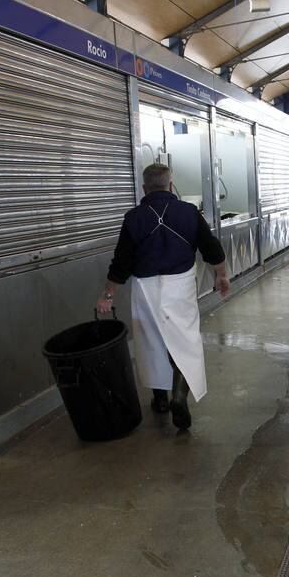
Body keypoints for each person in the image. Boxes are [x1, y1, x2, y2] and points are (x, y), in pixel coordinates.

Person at [97, 163, 229, 430]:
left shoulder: (133, 217)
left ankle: (160, 401)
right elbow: (211, 249)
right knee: (184, 341)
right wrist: (221, 275)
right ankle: (179, 396)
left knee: (151, 343)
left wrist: (107, 295)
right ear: (171, 185)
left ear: (144, 188)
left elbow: (120, 263)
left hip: (145, 288)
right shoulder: (189, 212)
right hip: (180, 286)